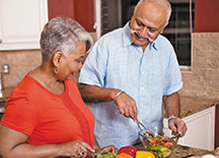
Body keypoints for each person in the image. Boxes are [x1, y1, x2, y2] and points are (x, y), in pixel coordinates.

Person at [0, 17, 117, 158]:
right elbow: (4, 151)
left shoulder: (66, 80)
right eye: (78, 60)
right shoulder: (26, 97)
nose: (79, 66)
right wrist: (59, 149)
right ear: (57, 59)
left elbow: (81, 127)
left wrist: (96, 152)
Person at [78, 0, 188, 149]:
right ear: (133, 14)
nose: (142, 33)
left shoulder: (166, 49)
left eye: (151, 29)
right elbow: (83, 90)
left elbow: (170, 92)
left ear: (162, 29)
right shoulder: (106, 45)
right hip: (112, 144)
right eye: (139, 23)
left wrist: (173, 117)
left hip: (152, 143)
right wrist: (115, 94)